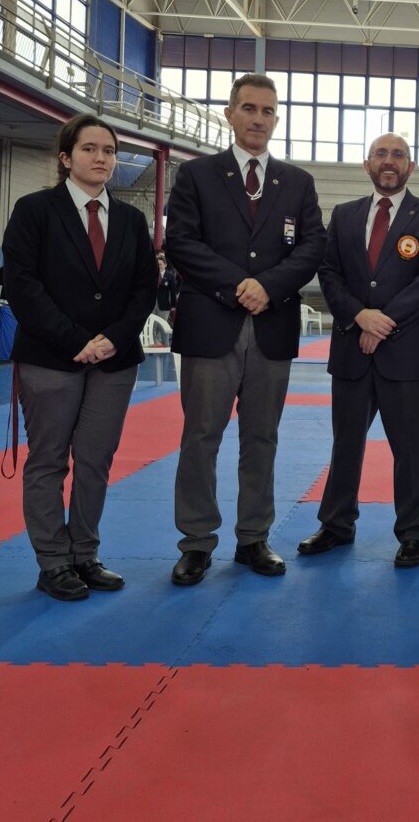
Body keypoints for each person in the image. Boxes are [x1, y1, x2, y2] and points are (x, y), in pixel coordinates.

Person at [166, 74, 326, 586]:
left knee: (262, 438)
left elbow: (312, 247)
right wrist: (238, 285)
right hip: (212, 323)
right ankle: (196, 542)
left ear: (276, 119)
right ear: (230, 113)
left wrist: (268, 287)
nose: (259, 118)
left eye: (268, 111)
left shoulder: (297, 182)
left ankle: (254, 537)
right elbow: (181, 242)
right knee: (201, 437)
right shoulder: (196, 175)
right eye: (250, 108)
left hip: (272, 326)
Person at [2, 114, 157, 601]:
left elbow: (145, 288)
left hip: (114, 360)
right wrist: (75, 340)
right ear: (66, 158)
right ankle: (53, 562)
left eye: (109, 151)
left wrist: (114, 338)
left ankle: (85, 554)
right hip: (50, 358)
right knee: (49, 460)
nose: (101, 158)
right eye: (90, 149)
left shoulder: (131, 220)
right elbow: (22, 285)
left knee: (95, 461)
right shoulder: (35, 211)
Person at [298, 134, 419, 568]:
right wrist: (359, 316)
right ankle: (336, 524)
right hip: (352, 348)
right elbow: (329, 273)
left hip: (406, 351)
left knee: (412, 448)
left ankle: (413, 531)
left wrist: (382, 322)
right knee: (345, 443)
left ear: (411, 166)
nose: (389, 161)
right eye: (381, 154)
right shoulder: (345, 215)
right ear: (367, 165)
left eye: (398, 155)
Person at [154, 250, 178, 323]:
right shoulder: (152, 275)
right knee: (152, 325)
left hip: (164, 305)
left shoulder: (170, 276)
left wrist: (173, 305)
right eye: (157, 264)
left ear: (165, 265)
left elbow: (173, 291)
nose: (159, 266)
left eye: (160, 264)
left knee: (162, 324)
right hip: (152, 305)